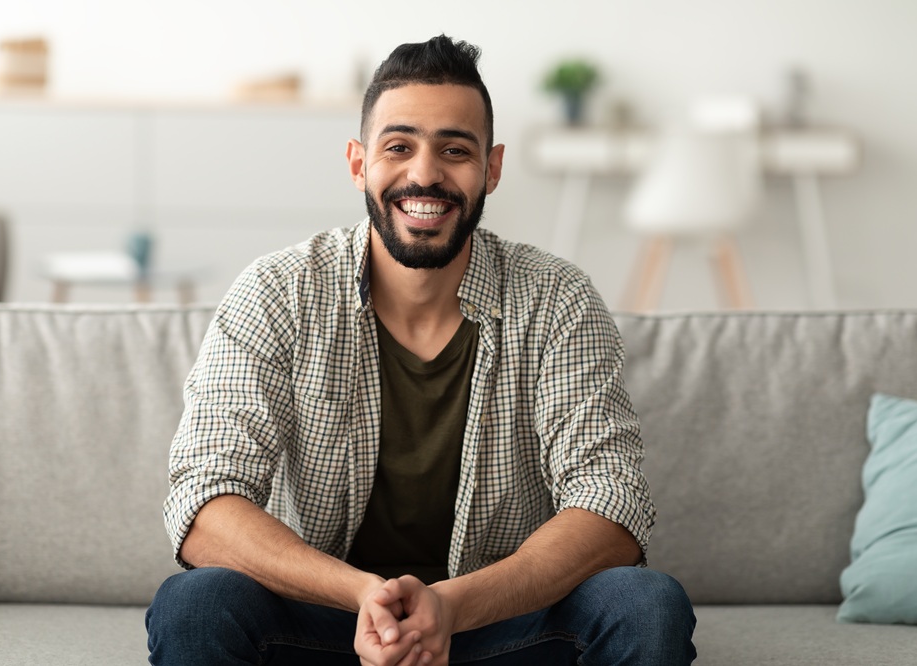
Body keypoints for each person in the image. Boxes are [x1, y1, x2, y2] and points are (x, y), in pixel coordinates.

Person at [146, 35, 696, 665]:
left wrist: (454, 606)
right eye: (398, 146)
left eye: (454, 150)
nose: (425, 173)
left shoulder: (556, 299)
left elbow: (611, 501)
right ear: (359, 163)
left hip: (496, 621)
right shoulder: (278, 293)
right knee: (195, 602)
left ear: (491, 167)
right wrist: (362, 596)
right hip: (334, 624)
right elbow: (205, 500)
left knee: (646, 602)